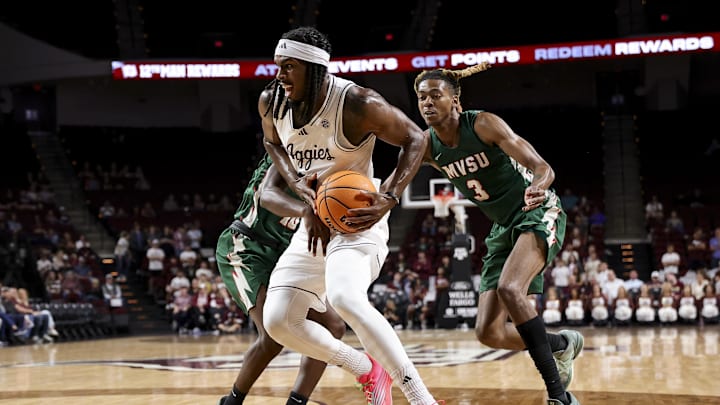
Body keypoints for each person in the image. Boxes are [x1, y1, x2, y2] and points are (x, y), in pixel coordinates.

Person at [261, 26, 442, 405]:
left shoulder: (357, 102)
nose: (279, 75)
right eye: (278, 66)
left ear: (314, 68)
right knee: (277, 320)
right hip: (315, 222)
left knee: (344, 295)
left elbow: (416, 139)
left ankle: (419, 396)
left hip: (356, 221)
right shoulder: (272, 102)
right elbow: (272, 142)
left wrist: (389, 194)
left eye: (288, 67)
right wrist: (298, 187)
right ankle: (365, 368)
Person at [413, 63, 583, 405]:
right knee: (488, 333)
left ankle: (558, 396)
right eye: (421, 97)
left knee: (510, 289)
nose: (427, 103)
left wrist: (538, 186)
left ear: (455, 101)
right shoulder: (428, 145)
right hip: (502, 226)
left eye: (435, 95)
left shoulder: (483, 123)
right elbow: (396, 168)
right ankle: (561, 345)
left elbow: (542, 167)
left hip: (536, 210)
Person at [215, 154, 346, 405]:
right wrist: (305, 211)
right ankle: (232, 401)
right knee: (273, 334)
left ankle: (297, 402)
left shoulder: (335, 162)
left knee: (333, 327)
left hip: (283, 253)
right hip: (245, 246)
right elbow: (268, 194)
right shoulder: (292, 147)